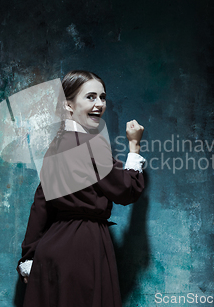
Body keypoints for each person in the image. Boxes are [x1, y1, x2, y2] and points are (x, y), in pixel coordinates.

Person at [16, 70, 146, 307]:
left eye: (103, 97)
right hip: (83, 247)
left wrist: (28, 256)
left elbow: (40, 204)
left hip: (51, 251)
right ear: (68, 105)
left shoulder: (54, 147)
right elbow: (128, 190)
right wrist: (134, 147)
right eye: (91, 97)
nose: (99, 104)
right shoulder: (91, 145)